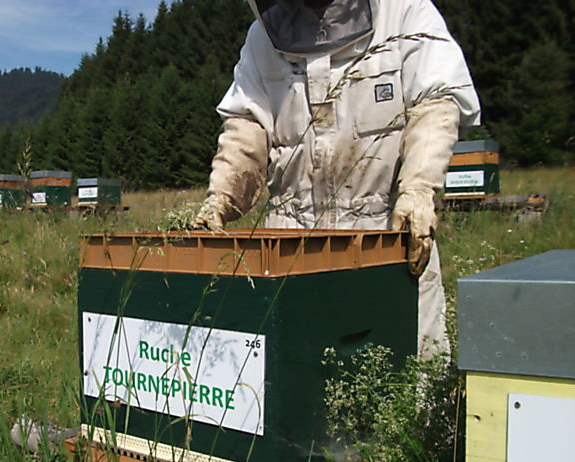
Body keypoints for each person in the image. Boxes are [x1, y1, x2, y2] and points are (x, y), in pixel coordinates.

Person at [191, 0, 480, 356]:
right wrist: (222, 197)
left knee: (407, 367)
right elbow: (246, 124)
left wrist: (419, 188)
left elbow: (436, 102)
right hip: (289, 241)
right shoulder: (263, 36)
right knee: (296, 370)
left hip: (386, 235)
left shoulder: (405, 11)